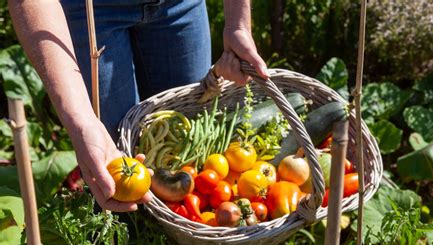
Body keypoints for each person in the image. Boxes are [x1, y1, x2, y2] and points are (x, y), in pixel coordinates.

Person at [8, 0, 268, 212]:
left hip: (180, 5)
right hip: (88, 11)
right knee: (112, 166)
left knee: (189, 148)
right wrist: (82, 122)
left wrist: (238, 23)